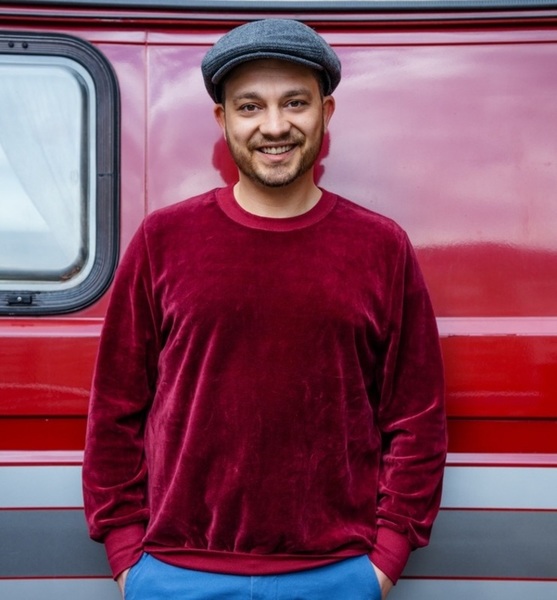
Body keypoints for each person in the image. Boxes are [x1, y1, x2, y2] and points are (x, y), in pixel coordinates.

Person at [83, 18, 447, 600]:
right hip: (175, 574)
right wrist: (128, 554)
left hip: (338, 574)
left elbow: (416, 415)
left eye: (295, 102)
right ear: (222, 119)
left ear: (326, 112)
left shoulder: (382, 247)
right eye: (250, 106)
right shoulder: (162, 240)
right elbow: (115, 408)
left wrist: (386, 557)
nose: (274, 126)